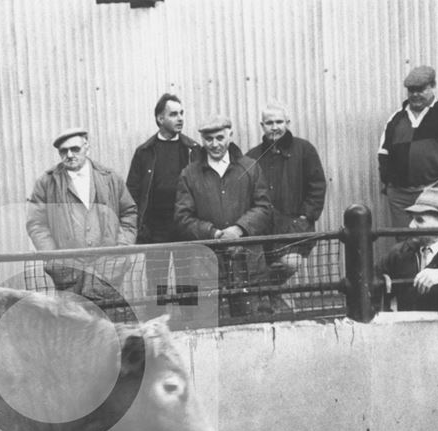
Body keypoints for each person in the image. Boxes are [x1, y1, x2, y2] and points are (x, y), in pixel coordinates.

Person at [26, 127, 137, 317]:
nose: (69, 155)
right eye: (64, 151)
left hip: (107, 269)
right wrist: (56, 258)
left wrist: (121, 249)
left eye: (75, 149)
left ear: (87, 147)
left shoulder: (110, 178)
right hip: (69, 272)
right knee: (74, 326)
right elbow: (36, 224)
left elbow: (129, 213)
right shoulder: (47, 183)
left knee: (112, 323)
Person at [174, 115, 272, 320]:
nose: (215, 144)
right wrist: (214, 233)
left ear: (230, 135)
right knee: (207, 321)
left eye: (220, 137)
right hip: (206, 264)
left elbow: (264, 207)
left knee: (250, 322)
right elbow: (182, 217)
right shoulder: (189, 174)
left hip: (246, 262)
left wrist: (239, 229)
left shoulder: (251, 167)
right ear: (202, 140)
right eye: (209, 139)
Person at [377, 65, 438, 254]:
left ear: (433, 86)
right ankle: (409, 283)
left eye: (421, 89)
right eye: (411, 90)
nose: (415, 95)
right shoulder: (396, 119)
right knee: (404, 246)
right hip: (401, 196)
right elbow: (384, 155)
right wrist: (391, 185)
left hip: (436, 191)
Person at [246, 102, 328, 307]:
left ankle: (268, 291)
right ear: (262, 125)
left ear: (288, 123)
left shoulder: (304, 149)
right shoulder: (251, 157)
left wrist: (305, 217)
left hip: (295, 226)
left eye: (279, 122)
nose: (275, 127)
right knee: (257, 264)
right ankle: (273, 296)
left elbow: (317, 186)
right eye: (269, 122)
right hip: (263, 230)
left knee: (291, 263)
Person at [125, 93, 199, 302]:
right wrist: (140, 226)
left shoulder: (193, 149)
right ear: (160, 119)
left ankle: (189, 325)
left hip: (185, 226)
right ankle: (155, 325)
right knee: (156, 283)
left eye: (182, 113)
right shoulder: (145, 152)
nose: (180, 118)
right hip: (156, 229)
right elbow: (132, 192)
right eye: (174, 114)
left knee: (188, 281)